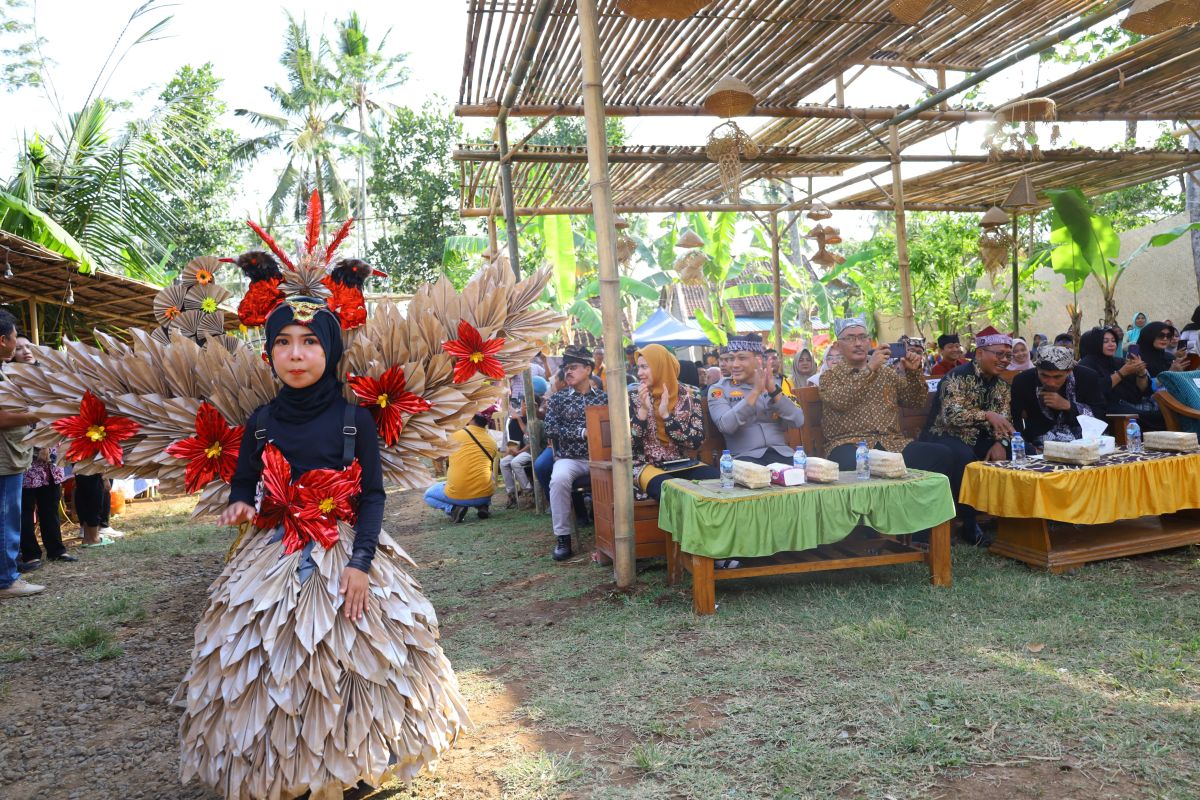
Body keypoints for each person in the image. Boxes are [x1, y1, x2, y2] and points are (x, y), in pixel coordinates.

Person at [192, 297, 468, 795]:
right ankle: (279, 768)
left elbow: (373, 497)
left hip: (344, 548)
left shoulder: (353, 419)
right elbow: (243, 480)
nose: (296, 355)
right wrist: (241, 505)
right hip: (273, 552)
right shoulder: (260, 421)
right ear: (269, 353)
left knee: (355, 655)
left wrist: (361, 564)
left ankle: (361, 762)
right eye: (283, 343)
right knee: (267, 654)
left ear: (332, 352)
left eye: (310, 342)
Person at [819, 318, 958, 481]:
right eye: (850, 338)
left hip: (891, 444)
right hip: (849, 445)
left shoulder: (887, 373)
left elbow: (915, 401)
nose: (858, 343)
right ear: (838, 345)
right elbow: (840, 401)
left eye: (863, 337)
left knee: (942, 455)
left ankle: (912, 504)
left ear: (869, 342)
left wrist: (914, 373)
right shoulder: (830, 377)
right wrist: (870, 368)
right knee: (857, 464)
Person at [923, 326, 1015, 545]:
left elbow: (1005, 420)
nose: (1004, 360)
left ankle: (1014, 518)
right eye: (999, 354)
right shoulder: (955, 377)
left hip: (982, 439)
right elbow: (951, 416)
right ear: (980, 353)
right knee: (963, 457)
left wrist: (1000, 442)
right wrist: (987, 415)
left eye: (1008, 355)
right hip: (945, 436)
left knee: (1020, 451)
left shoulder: (1002, 386)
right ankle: (968, 522)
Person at [629, 345, 720, 500]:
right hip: (645, 466)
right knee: (673, 491)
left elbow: (696, 441)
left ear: (661, 366)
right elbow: (629, 445)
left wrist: (666, 417)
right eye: (638, 368)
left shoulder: (689, 396)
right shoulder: (633, 397)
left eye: (645, 367)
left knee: (718, 482)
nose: (639, 373)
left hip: (681, 463)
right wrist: (643, 412)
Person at [543, 345, 606, 561]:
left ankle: (617, 533)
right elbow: (549, 429)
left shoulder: (604, 399)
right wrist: (581, 432)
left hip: (602, 458)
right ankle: (563, 537)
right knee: (558, 479)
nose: (568, 372)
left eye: (573, 367)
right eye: (566, 368)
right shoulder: (558, 399)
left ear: (588, 369)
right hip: (571, 459)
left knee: (626, 474)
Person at [706, 334, 804, 466]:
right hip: (745, 459)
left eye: (741, 358)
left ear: (758, 360)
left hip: (782, 455)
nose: (734, 365)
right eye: (731, 359)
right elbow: (726, 426)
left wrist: (773, 391)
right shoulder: (719, 389)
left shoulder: (775, 386)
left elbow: (798, 420)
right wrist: (755, 392)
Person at [0, 313, 44, 599]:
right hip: (4, 460)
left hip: (11, 455)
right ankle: (6, 580)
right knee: (7, 518)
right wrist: (37, 414)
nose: (18, 343)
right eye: (16, 337)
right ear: (3, 340)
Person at [1010, 346, 1107, 450]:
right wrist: (1025, 445)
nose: (1051, 382)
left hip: (1085, 440)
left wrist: (1069, 406)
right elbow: (1016, 417)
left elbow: (1100, 413)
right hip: (1038, 443)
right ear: (1037, 369)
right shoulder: (1023, 381)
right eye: (1044, 375)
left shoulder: (1087, 377)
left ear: (1069, 371)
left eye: (1057, 377)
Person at [424, 409, 499, 522]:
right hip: (484, 494)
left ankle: (453, 509)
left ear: (471, 418)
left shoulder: (455, 435)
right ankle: (483, 506)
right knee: (486, 473)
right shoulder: (492, 441)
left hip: (458, 495)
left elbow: (437, 457)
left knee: (428, 495)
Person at [1078, 327, 1160, 428]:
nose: (1111, 344)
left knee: (1163, 414)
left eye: (1113, 341)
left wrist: (1141, 372)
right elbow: (1096, 390)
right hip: (1109, 410)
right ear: (1095, 343)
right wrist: (1122, 373)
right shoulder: (1085, 364)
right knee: (1154, 419)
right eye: (1105, 341)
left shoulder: (1119, 361)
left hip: (1131, 404)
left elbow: (1141, 390)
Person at [499, 400, 533, 508]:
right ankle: (512, 494)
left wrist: (518, 452)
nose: (521, 408)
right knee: (504, 462)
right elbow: (515, 438)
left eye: (523, 405)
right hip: (521, 451)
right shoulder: (515, 420)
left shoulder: (533, 420)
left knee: (515, 462)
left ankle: (529, 492)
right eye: (522, 405)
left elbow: (531, 441)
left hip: (531, 451)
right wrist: (511, 449)